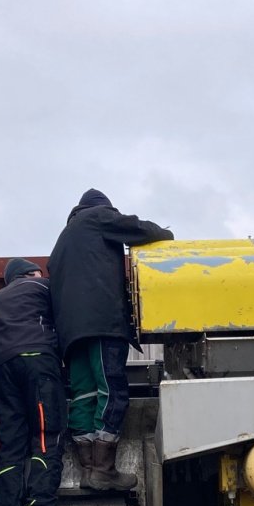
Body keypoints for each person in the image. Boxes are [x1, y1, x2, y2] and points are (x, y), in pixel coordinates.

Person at [48, 189, 173, 490]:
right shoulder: (97, 218)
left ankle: (89, 469)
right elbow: (141, 230)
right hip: (102, 323)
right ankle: (104, 469)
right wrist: (165, 233)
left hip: (71, 334)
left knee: (84, 393)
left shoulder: (62, 241)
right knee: (111, 390)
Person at [0, 258, 75, 506]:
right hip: (37, 361)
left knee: (9, 448)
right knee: (47, 438)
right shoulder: (41, 286)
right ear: (30, 274)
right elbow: (70, 318)